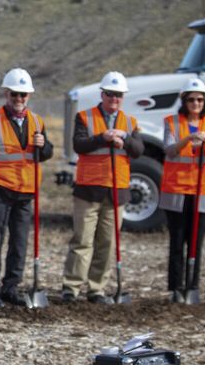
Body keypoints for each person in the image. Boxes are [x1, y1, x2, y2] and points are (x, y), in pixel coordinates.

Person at [0, 68, 54, 308]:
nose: (19, 99)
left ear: (28, 96)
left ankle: (10, 287)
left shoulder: (37, 122)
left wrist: (44, 145)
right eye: (14, 94)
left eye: (23, 95)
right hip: (1, 191)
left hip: (27, 192)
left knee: (19, 243)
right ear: (6, 94)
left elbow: (45, 154)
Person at [61, 71, 144, 304]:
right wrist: (103, 137)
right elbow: (79, 144)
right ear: (102, 94)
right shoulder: (85, 117)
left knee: (107, 243)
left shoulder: (130, 123)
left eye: (118, 95)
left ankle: (96, 289)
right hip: (89, 189)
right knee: (82, 240)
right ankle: (72, 287)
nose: (114, 99)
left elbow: (138, 150)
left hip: (116, 191)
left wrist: (124, 140)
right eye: (110, 94)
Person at [159, 78, 205, 303]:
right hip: (177, 190)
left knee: (196, 241)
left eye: (199, 99)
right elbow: (169, 149)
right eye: (191, 99)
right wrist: (188, 138)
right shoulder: (172, 122)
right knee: (177, 240)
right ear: (184, 101)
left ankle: (192, 286)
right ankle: (176, 287)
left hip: (202, 192)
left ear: (204, 101)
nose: (195, 103)